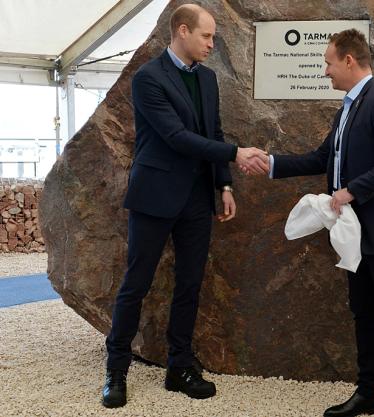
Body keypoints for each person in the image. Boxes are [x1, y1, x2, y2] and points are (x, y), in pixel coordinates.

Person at [259, 29, 374, 417]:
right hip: (356, 235)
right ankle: (369, 394)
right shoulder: (344, 109)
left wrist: (351, 191)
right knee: (364, 312)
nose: (325, 70)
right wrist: (270, 163)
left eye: (328, 62)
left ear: (349, 60)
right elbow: (320, 158)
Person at [102, 4, 268, 408]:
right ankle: (116, 371)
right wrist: (236, 153)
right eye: (207, 36)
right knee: (135, 285)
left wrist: (225, 184)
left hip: (197, 198)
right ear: (182, 31)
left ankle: (179, 367)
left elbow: (212, 130)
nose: (212, 44)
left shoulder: (208, 79)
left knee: (190, 284)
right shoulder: (148, 78)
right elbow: (176, 137)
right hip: (155, 195)